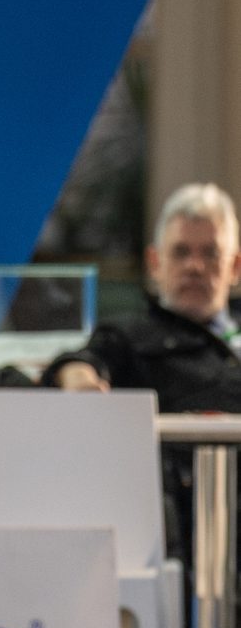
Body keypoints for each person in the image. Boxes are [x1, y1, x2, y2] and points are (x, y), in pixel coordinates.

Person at [44, 183, 241, 569]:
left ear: (235, 266)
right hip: (191, 531)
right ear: (155, 263)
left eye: (211, 253)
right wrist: (78, 377)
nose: (195, 267)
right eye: (181, 252)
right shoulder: (129, 337)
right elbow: (80, 362)